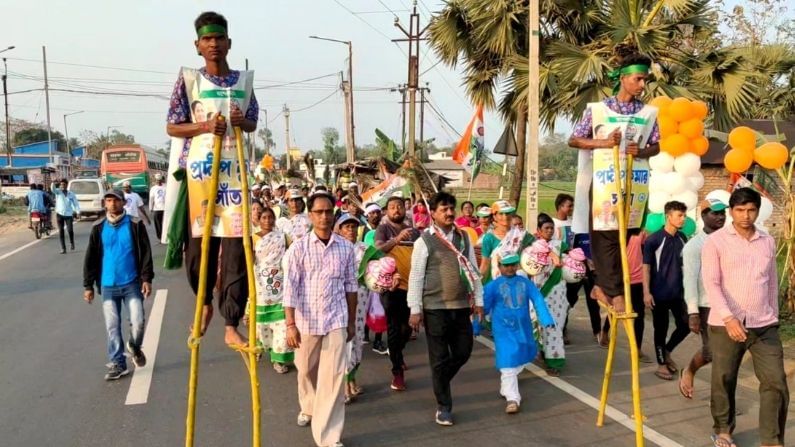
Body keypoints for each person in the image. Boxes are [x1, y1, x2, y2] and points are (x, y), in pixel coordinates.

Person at [166, 11, 259, 346]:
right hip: (200, 175)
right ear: (198, 45)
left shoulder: (243, 81)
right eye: (207, 39)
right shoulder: (189, 80)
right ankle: (203, 302)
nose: (214, 44)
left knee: (237, 250)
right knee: (200, 249)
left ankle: (231, 322)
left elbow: (252, 122)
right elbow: (174, 125)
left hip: (234, 177)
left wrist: (240, 121)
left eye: (219, 38)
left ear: (228, 42)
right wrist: (205, 126)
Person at [568, 49, 660, 314]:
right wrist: (604, 143)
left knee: (627, 236)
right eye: (638, 79)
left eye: (645, 80)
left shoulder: (649, 113)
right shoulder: (597, 110)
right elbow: (575, 139)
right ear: (623, 78)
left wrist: (641, 151)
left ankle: (602, 286)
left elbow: (657, 145)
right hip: (605, 183)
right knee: (606, 236)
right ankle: (615, 293)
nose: (643, 85)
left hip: (634, 183)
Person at [703, 188, 788, 447]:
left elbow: (771, 282)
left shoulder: (767, 241)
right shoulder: (716, 242)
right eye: (740, 210)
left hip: (764, 325)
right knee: (724, 378)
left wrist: (772, 314)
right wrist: (729, 319)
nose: (745, 216)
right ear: (730, 212)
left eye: (751, 210)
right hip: (725, 324)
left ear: (758, 211)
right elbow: (712, 283)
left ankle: (771, 440)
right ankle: (724, 429)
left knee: (776, 382)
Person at [284, 192, 357, 447]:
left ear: (334, 214)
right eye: (319, 212)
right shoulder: (298, 249)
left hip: (336, 318)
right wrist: (290, 324)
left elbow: (351, 287)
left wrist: (350, 323)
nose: (324, 216)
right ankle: (309, 405)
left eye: (328, 212)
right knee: (305, 369)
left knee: (334, 379)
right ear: (310, 215)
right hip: (306, 322)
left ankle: (328, 436)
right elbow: (290, 288)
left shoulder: (346, 248)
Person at [407, 191, 483, 426]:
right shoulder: (424, 241)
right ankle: (444, 406)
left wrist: (478, 300)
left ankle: (439, 380)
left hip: (461, 306)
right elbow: (416, 277)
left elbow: (473, 270)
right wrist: (415, 309)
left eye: (452, 208)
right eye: (444, 209)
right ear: (433, 213)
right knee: (439, 357)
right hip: (434, 308)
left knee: (463, 351)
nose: (450, 213)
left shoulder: (463, 238)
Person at [83, 189, 154, 380]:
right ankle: (117, 363)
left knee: (138, 322)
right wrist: (88, 286)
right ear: (104, 204)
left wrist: (146, 278)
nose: (112, 204)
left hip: (131, 283)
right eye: (108, 201)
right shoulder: (98, 227)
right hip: (108, 285)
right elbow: (90, 258)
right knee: (112, 326)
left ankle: (134, 346)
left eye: (116, 200)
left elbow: (146, 253)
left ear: (123, 203)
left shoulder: (135, 225)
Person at [483, 253, 554, 414]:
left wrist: (545, 318)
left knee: (522, 356)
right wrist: (475, 325)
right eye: (506, 265)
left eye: (513, 265)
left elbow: (538, 299)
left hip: (523, 328)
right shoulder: (492, 286)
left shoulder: (525, 283)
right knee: (508, 361)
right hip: (503, 330)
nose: (509, 268)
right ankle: (513, 399)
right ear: (499, 267)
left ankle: (506, 386)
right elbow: (483, 308)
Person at [678, 196, 727, 399]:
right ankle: (689, 371)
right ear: (704, 215)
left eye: (723, 213)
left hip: (728, 305)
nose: (721, 217)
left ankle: (723, 399)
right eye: (715, 213)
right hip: (706, 305)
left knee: (723, 355)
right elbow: (689, 280)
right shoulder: (694, 246)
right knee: (713, 353)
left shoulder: (729, 240)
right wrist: (693, 313)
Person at [374, 196, 420, 391]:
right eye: (392, 207)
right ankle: (397, 372)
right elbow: (378, 250)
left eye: (399, 207)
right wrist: (396, 240)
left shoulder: (415, 232)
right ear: (387, 211)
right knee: (394, 329)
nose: (396, 210)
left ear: (405, 209)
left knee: (407, 329)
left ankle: (398, 354)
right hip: (392, 287)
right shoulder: (383, 229)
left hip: (413, 288)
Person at [643, 201, 689, 381]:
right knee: (660, 329)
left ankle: (667, 350)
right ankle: (661, 364)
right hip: (659, 293)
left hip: (678, 293)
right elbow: (646, 267)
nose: (683, 219)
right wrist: (646, 292)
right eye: (679, 215)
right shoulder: (654, 239)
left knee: (685, 325)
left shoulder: (683, 238)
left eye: (684, 215)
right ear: (668, 216)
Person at [252, 206, 293, 374]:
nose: (268, 221)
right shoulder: (253, 238)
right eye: (264, 218)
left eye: (270, 217)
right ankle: (262, 348)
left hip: (280, 284)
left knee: (282, 325)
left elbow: (293, 254)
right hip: (260, 284)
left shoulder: (282, 237)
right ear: (259, 220)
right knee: (262, 325)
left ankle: (279, 359)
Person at [531, 213, 568, 376]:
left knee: (555, 327)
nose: (550, 231)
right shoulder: (531, 247)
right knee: (539, 325)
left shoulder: (560, 245)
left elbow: (572, 260)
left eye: (552, 228)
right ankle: (543, 354)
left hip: (557, 292)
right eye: (546, 228)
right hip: (538, 292)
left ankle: (555, 361)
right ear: (538, 230)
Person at [479, 200, 534, 284]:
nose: (505, 217)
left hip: (519, 279)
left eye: (507, 213)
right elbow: (485, 265)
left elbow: (538, 246)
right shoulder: (489, 238)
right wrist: (478, 285)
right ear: (494, 216)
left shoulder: (520, 233)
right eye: (501, 214)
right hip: (498, 281)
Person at [52, 179, 80, 253]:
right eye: (61, 185)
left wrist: (78, 212)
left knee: (70, 230)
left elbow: (76, 203)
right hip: (59, 214)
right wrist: (53, 183)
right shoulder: (58, 192)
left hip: (68, 214)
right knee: (61, 231)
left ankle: (72, 242)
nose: (63, 186)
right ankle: (63, 248)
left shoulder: (71, 194)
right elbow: (53, 189)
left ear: (67, 185)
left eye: (64, 185)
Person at [149, 174, 166, 241]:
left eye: (159, 180)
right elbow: (151, 199)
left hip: (165, 208)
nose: (158, 182)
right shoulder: (153, 188)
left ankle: (165, 236)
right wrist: (150, 208)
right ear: (155, 181)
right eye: (157, 180)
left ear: (161, 180)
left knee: (165, 223)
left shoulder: (166, 187)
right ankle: (160, 237)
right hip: (157, 209)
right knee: (158, 224)